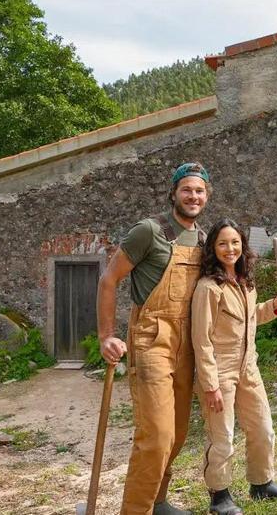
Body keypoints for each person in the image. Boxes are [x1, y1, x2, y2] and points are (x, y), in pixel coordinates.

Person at [97, 162, 211, 515]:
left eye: (200, 191)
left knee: (176, 435)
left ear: (207, 197)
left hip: (187, 344)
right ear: (174, 193)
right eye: (187, 190)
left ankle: (158, 502)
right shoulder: (149, 231)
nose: (193, 196)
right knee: (156, 436)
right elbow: (108, 280)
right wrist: (107, 336)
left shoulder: (205, 240)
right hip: (151, 340)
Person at [190, 218, 277, 515]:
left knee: (263, 428)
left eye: (235, 242)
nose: (230, 248)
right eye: (222, 243)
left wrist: (274, 304)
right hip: (220, 372)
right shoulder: (209, 288)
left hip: (249, 368)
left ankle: (261, 483)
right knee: (222, 438)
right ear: (213, 248)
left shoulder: (245, 282)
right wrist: (210, 384)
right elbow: (202, 340)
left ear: (242, 245)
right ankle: (220, 497)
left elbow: (250, 319)